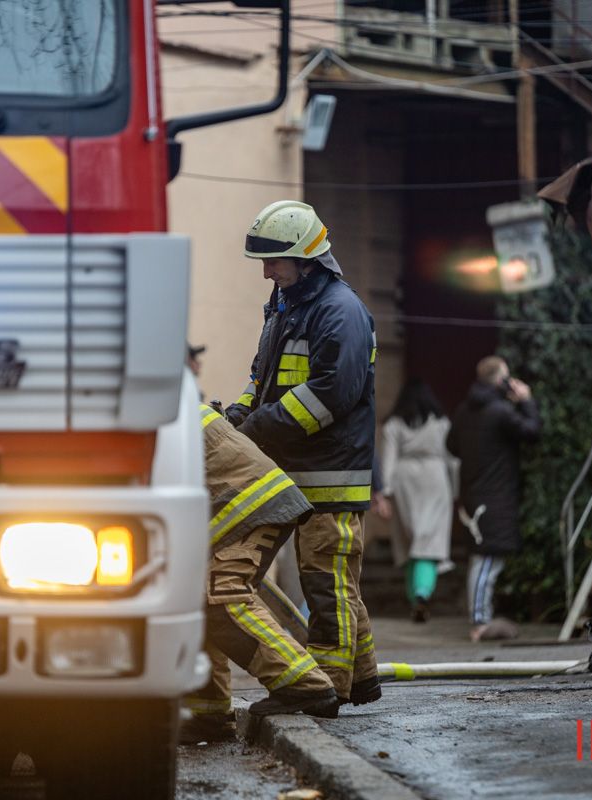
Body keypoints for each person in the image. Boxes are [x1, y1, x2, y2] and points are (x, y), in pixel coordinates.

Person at [224, 200, 381, 709]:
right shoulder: (286, 302)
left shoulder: (340, 311)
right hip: (292, 469)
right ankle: (362, 679)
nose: (266, 271)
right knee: (335, 583)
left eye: (274, 261)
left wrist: (257, 430)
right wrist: (239, 415)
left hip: (330, 473)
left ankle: (327, 689)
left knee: (325, 583)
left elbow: (330, 394)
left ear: (306, 258)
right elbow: (262, 378)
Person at [182, 404, 339, 744]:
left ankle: (305, 685)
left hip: (247, 501)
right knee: (194, 599)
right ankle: (208, 713)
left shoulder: (138, 413)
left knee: (221, 597)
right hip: (242, 498)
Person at [446, 356, 541, 643]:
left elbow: (451, 445)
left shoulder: (465, 410)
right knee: (486, 560)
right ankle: (479, 623)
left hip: (474, 492)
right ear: (501, 382)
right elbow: (532, 431)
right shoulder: (499, 411)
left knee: (484, 557)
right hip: (495, 495)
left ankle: (480, 619)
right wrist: (526, 400)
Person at [379, 378, 453, 623]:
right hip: (436, 479)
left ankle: (415, 597)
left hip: (405, 480)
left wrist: (384, 493)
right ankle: (423, 593)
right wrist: (456, 492)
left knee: (409, 542)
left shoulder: (394, 424)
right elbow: (452, 459)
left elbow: (388, 460)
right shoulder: (441, 422)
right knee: (429, 542)